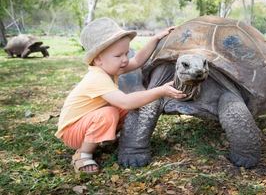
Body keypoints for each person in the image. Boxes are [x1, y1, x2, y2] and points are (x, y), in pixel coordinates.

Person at [55, 17, 186, 175]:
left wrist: (156, 38)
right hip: (72, 132)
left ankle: (107, 137)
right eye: (118, 56)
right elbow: (125, 102)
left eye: (126, 53)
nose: (125, 59)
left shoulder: (110, 68)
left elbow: (137, 60)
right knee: (111, 111)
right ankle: (82, 154)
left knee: (127, 106)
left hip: (86, 123)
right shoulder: (97, 78)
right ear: (98, 59)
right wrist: (160, 91)